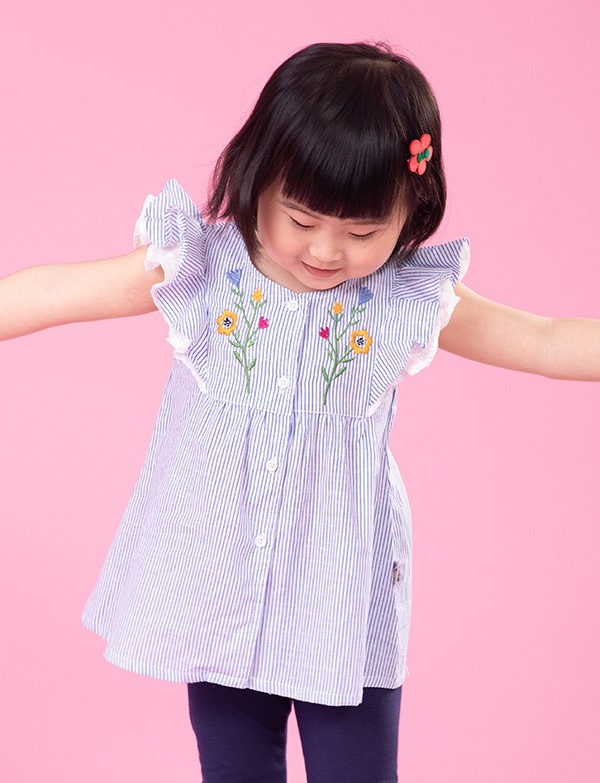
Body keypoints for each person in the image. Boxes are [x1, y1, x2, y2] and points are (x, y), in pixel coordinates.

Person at [0, 41, 598, 783]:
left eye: (363, 232)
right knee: (235, 770)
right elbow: (53, 292)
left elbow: (543, 338)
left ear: (412, 212)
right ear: (257, 177)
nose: (325, 249)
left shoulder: (403, 298)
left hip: (340, 597)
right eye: (302, 217)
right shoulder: (198, 269)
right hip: (219, 585)